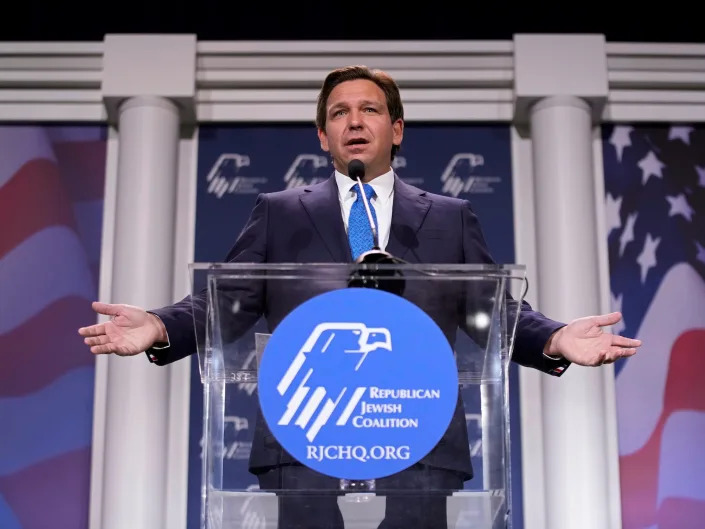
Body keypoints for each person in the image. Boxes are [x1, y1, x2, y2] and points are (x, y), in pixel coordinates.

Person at [78, 65, 641, 528]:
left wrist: (557, 338)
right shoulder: (279, 212)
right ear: (323, 137)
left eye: (370, 110)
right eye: (339, 113)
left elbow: (492, 310)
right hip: (308, 428)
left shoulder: (448, 217)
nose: (354, 121)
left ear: (396, 129)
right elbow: (231, 298)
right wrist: (160, 325)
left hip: (415, 426)